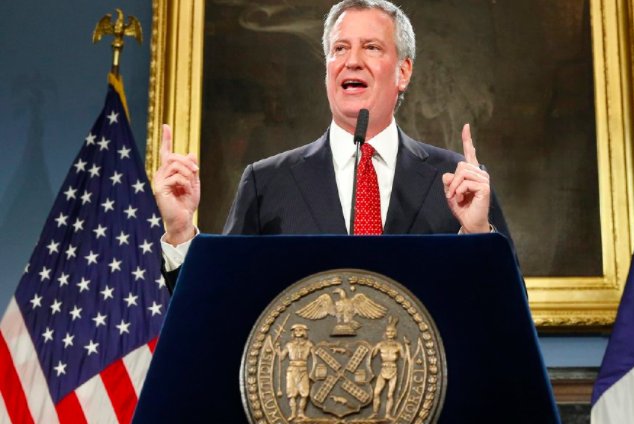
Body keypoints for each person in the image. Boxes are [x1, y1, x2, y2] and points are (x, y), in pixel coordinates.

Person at [154, 0, 513, 291]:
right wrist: (181, 231)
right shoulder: (267, 182)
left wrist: (477, 237)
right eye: (340, 48)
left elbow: (505, 311)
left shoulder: (459, 181)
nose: (352, 61)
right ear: (327, 70)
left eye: (371, 47)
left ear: (403, 72)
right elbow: (221, 307)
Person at [278, 324, 315, 420]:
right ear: (293, 332)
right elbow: (281, 357)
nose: (298, 332)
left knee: (305, 393)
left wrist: (313, 372)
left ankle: (301, 413)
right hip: (292, 370)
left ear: (304, 332)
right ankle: (293, 414)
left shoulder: (309, 345)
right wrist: (277, 349)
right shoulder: (289, 345)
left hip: (303, 369)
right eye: (296, 330)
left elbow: (315, 359)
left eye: (300, 330)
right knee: (291, 393)